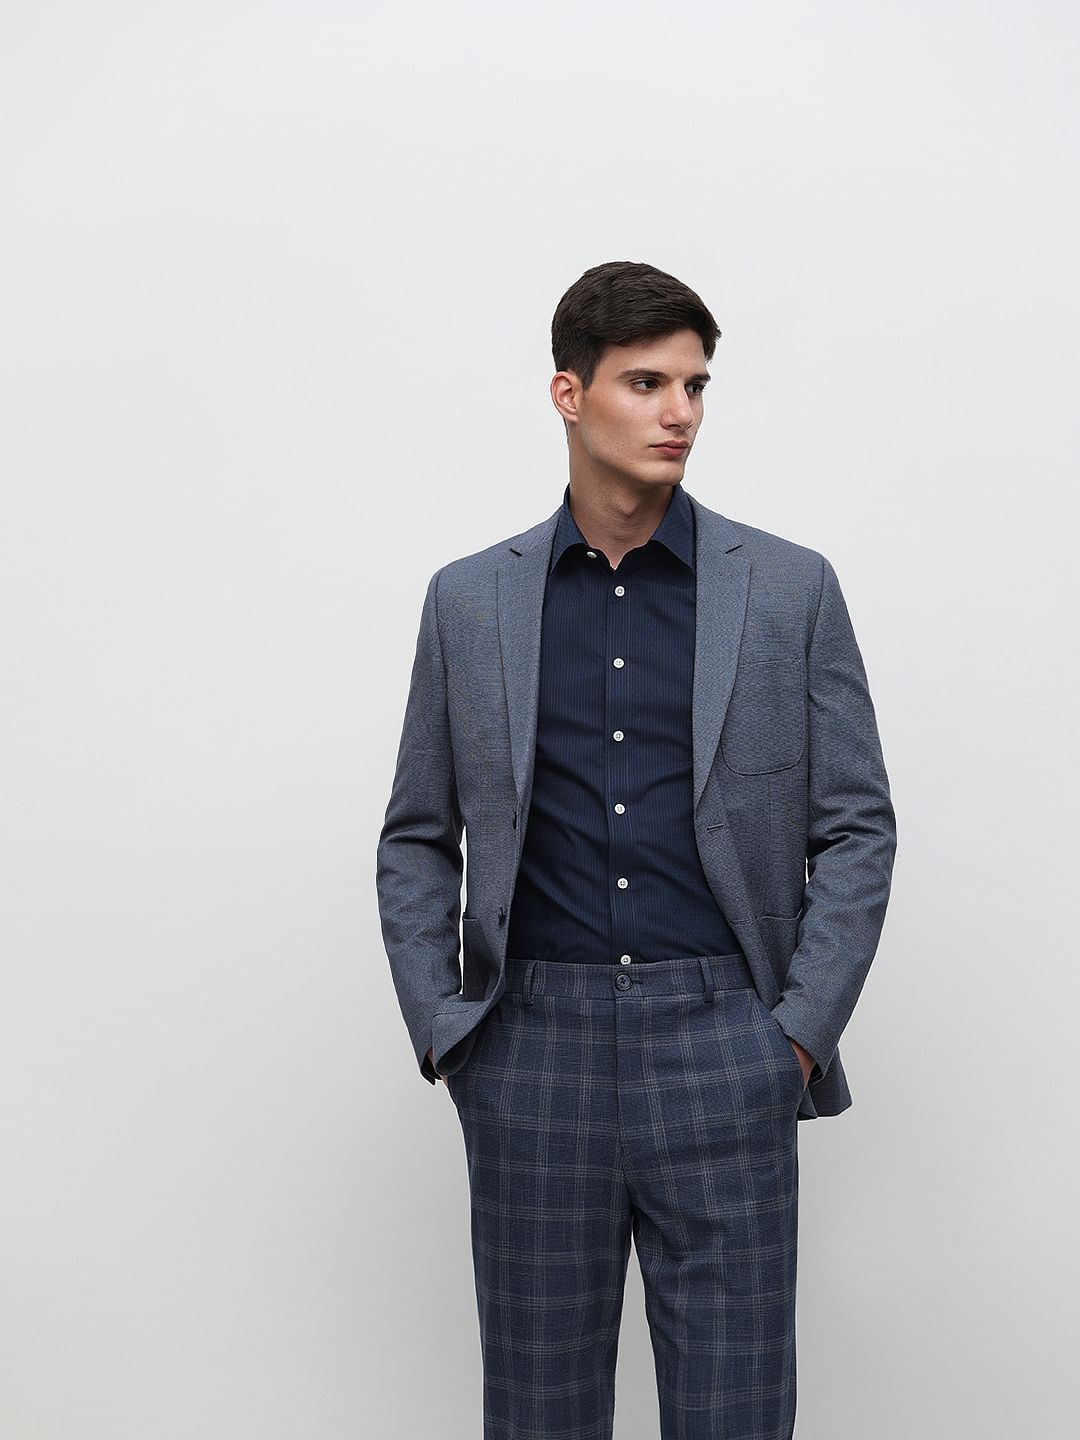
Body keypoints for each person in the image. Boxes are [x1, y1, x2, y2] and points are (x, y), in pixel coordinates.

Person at [376, 259, 897, 1440]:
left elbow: (857, 825)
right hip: (531, 1052)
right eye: (647, 383)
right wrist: (452, 1034)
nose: (680, 414)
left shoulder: (789, 591)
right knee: (540, 1414)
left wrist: (794, 1039)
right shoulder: (469, 601)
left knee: (735, 1412)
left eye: (696, 386)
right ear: (570, 393)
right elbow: (416, 835)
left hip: (727, 1046)